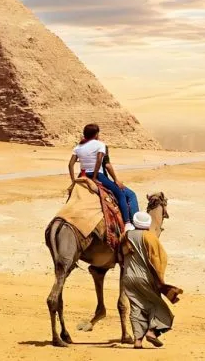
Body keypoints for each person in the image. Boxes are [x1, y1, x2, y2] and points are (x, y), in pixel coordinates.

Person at [122, 211, 182, 349]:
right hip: (145, 278)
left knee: (136, 307)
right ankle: (152, 331)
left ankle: (138, 341)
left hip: (128, 278)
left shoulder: (126, 235)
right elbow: (157, 259)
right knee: (159, 306)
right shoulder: (150, 237)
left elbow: (121, 254)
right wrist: (161, 281)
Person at [67, 123, 133, 229]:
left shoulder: (78, 147)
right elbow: (99, 160)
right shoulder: (100, 145)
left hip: (82, 175)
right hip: (97, 175)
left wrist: (73, 180)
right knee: (120, 194)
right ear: (96, 134)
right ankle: (127, 223)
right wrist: (94, 177)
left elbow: (70, 164)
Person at [103, 145, 140, 220]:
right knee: (130, 195)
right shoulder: (101, 146)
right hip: (101, 178)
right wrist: (116, 180)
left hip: (84, 176)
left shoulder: (83, 146)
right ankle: (133, 222)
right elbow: (107, 165)